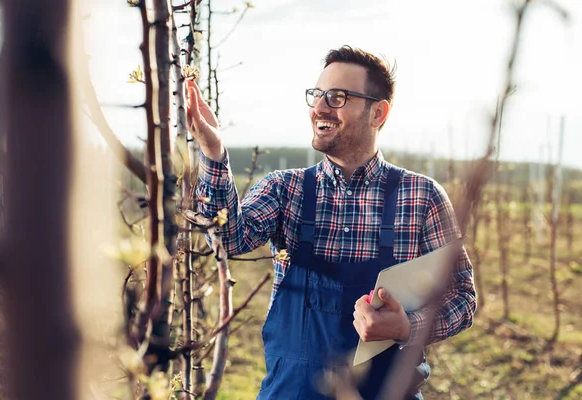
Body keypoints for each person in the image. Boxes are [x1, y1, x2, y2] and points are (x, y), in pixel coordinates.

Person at [186, 45, 476, 400]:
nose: (319, 107)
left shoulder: (421, 196)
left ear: (377, 113)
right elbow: (228, 240)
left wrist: (406, 326)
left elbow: (462, 297)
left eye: (338, 97)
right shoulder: (285, 189)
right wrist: (213, 151)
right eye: (317, 95)